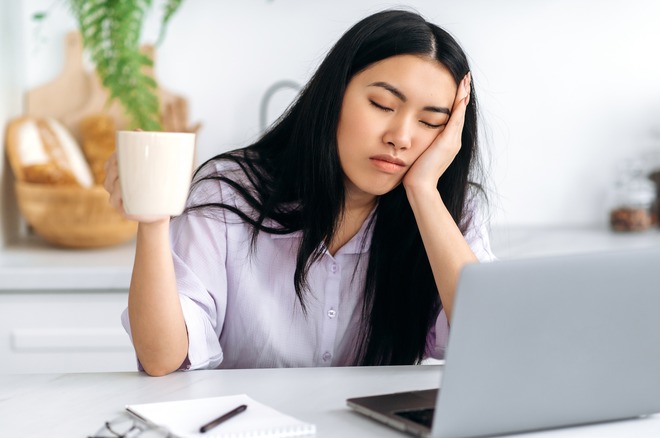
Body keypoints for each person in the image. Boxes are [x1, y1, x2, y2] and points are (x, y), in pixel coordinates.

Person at [104, 9, 495, 376]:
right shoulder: (229, 193)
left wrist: (424, 192)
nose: (401, 138)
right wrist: (153, 222)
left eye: (431, 122)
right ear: (334, 95)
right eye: (382, 105)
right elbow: (162, 359)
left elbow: (488, 341)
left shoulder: (450, 213)